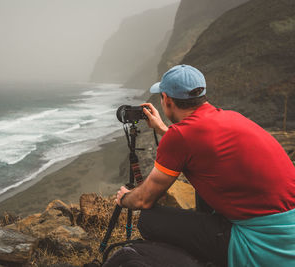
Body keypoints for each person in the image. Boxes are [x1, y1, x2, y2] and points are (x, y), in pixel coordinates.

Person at [115, 64, 295, 267]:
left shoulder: (180, 136)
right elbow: (199, 145)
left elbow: (143, 200)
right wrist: (164, 130)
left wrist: (124, 198)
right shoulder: (232, 117)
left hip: (259, 244)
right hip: (288, 236)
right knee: (202, 180)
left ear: (166, 99)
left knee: (149, 219)